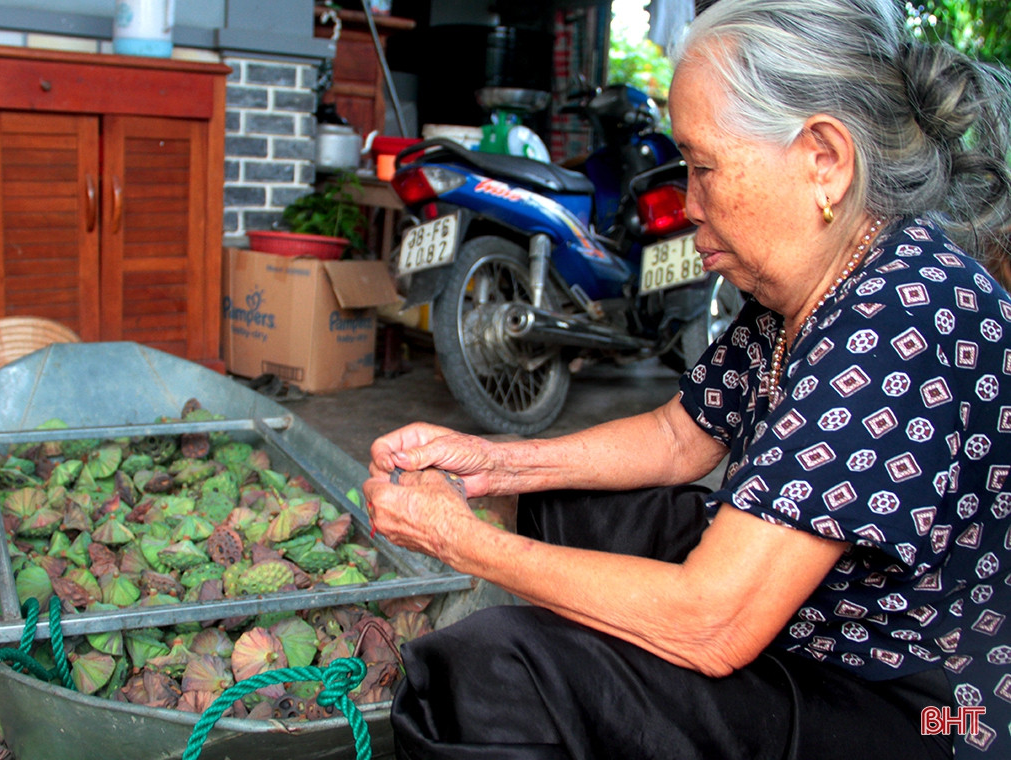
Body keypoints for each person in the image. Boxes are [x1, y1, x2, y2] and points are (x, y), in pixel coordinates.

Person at [362, 0, 1011, 758]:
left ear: (824, 159)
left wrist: (459, 540)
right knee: (564, 508)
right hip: (832, 623)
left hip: (929, 712)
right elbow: (679, 436)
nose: (689, 203)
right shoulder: (812, 283)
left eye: (704, 167)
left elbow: (714, 624)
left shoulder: (901, 318)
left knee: (496, 671)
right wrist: (492, 465)